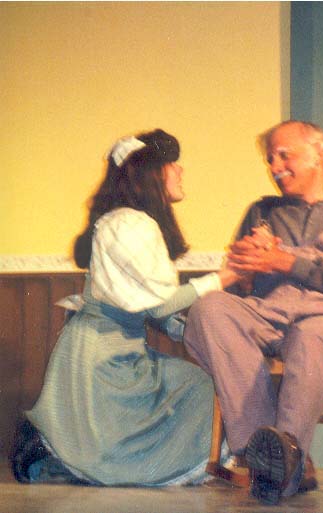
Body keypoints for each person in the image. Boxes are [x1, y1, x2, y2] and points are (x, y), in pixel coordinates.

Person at [10, 129, 241, 486]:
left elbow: (146, 306)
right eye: (172, 165)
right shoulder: (129, 224)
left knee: (194, 385)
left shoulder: (130, 223)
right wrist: (226, 276)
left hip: (112, 349)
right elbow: (160, 304)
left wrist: (188, 329)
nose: (180, 171)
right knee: (188, 393)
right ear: (152, 174)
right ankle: (47, 446)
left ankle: (54, 451)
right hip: (101, 358)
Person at [183, 120, 323, 505]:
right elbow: (238, 285)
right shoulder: (262, 210)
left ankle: (279, 459)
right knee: (209, 309)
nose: (274, 167)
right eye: (270, 159)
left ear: (318, 155)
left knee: (311, 337)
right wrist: (246, 266)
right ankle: (274, 452)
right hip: (267, 313)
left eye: (283, 155)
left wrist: (284, 260)